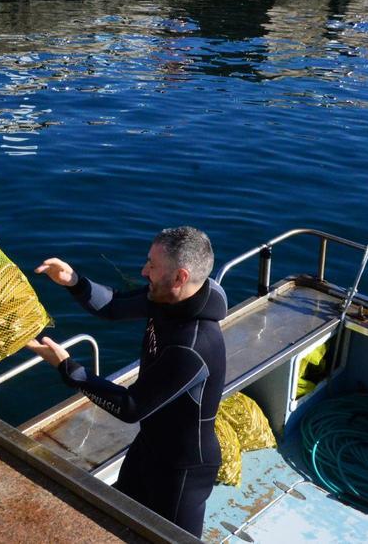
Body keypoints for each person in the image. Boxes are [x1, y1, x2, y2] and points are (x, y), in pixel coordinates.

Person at [27, 226, 227, 537]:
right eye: (148, 261)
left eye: (152, 266)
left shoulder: (193, 345)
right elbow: (114, 305)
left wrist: (68, 368)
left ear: (180, 278)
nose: (144, 271)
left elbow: (131, 406)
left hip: (182, 470)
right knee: (119, 523)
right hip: (149, 447)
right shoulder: (168, 297)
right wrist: (74, 282)